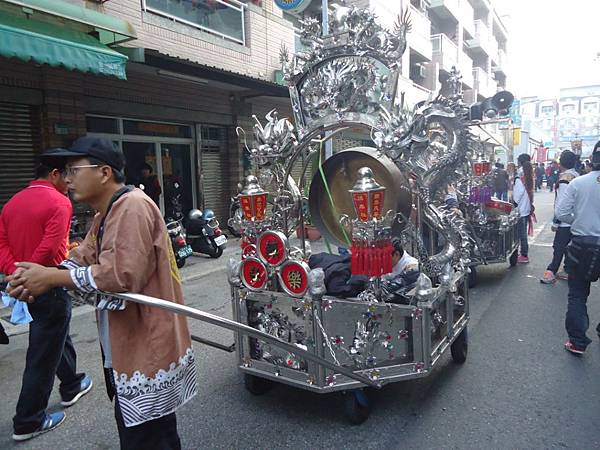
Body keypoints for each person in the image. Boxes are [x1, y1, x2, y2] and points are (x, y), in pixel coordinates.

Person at [6, 137, 197, 449]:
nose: (66, 179)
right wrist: (31, 278)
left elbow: (122, 275)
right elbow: (83, 256)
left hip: (145, 346)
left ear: (104, 172)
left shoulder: (132, 206)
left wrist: (53, 277)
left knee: (149, 439)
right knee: (141, 434)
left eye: (73, 170)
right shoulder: (106, 213)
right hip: (123, 347)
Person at [0, 152, 91, 442]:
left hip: (22, 283)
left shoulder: (12, 203)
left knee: (55, 336)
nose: (70, 182)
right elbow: (52, 249)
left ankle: (72, 384)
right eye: (68, 175)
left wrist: (16, 274)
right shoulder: (59, 202)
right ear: (54, 174)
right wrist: (32, 276)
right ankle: (28, 419)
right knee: (42, 351)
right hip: (47, 283)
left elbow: (1, 244)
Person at [556, 141, 600, 355]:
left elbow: (562, 212)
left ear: (592, 160)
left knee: (577, 294)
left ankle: (578, 341)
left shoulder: (578, 183)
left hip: (582, 242)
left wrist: (579, 220)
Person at [540, 150, 579, 284]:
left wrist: (556, 222)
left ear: (561, 163)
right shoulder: (577, 176)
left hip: (564, 220)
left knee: (558, 246)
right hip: (575, 219)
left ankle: (551, 271)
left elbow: (561, 204)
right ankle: (567, 270)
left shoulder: (565, 179)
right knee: (568, 246)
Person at [513, 153, 535, 264]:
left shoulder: (519, 176)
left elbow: (518, 195)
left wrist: (513, 203)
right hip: (527, 208)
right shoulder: (528, 173)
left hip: (520, 209)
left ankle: (524, 255)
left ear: (520, 162)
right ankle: (524, 254)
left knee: (520, 234)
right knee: (523, 233)